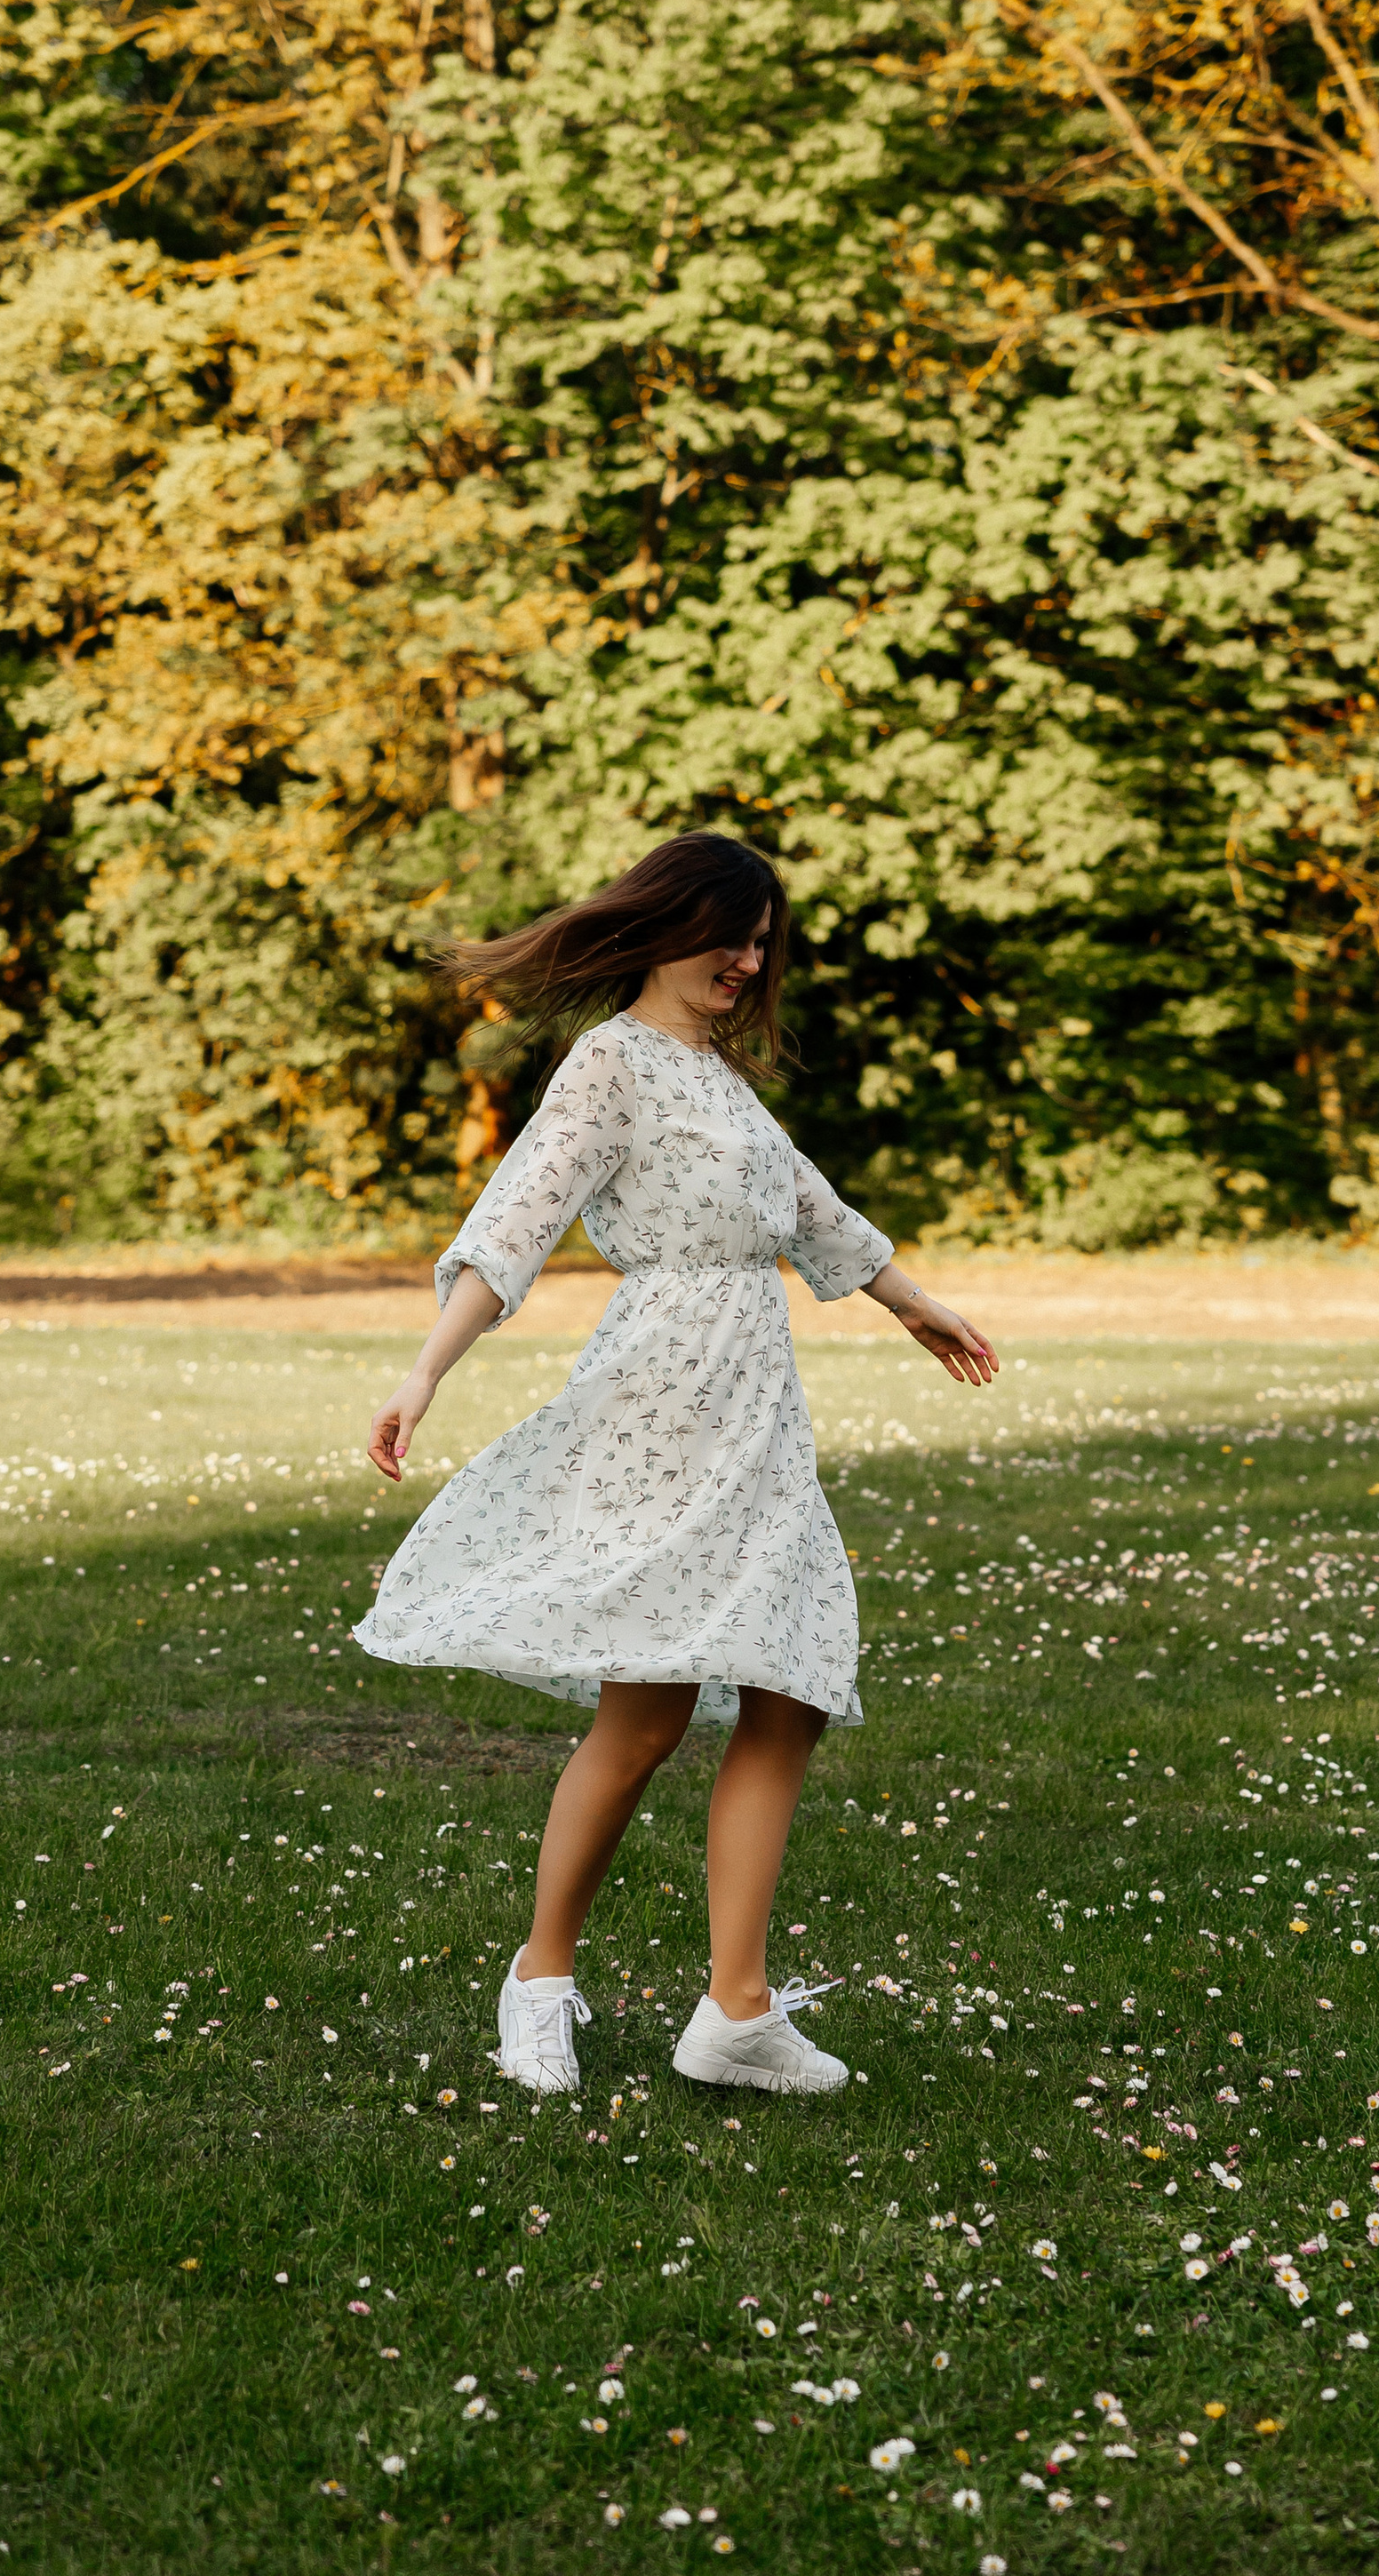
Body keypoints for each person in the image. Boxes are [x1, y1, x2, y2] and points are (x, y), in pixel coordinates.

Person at [353, 833, 997, 2101]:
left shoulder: (717, 1075)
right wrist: (424, 1369)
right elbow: (516, 1219)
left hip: (760, 1406)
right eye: (731, 936)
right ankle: (539, 1978)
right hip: (661, 1398)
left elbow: (809, 1207)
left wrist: (913, 1302)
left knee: (790, 1679)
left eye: (763, 943)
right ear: (663, 925)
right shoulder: (613, 1064)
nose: (749, 961)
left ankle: (736, 2012)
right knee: (644, 1715)